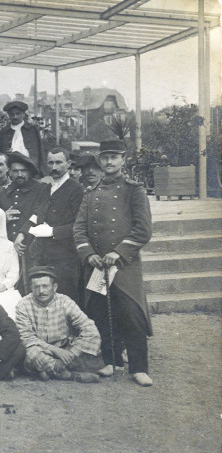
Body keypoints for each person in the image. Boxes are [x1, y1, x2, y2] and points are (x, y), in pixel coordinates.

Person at [74, 139, 154, 387]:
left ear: (123, 160)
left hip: (124, 265)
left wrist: (118, 253)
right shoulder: (90, 193)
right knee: (99, 313)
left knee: (132, 314)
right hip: (97, 266)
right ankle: (111, 361)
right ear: (100, 160)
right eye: (105, 157)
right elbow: (79, 229)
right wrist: (89, 254)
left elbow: (143, 230)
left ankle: (139, 367)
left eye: (114, 157)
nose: (109, 162)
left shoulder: (134, 190)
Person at [15, 266, 101, 383]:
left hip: (65, 348)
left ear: (54, 287)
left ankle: (45, 370)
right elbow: (26, 337)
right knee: (31, 353)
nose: (41, 291)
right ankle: (70, 375)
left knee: (89, 340)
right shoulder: (23, 304)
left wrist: (71, 354)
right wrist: (55, 351)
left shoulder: (65, 301)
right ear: (31, 288)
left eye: (45, 286)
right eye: (36, 287)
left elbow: (89, 328)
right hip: (41, 349)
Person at [27, 148, 84, 303]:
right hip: (43, 256)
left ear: (68, 164)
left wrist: (53, 231)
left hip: (66, 257)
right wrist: (22, 233)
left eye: (59, 162)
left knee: (66, 301)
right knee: (44, 300)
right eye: (50, 163)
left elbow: (80, 225)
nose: (54, 167)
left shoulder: (76, 189)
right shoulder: (46, 188)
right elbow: (37, 214)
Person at [0, 153, 49, 244]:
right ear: (10, 172)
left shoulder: (41, 190)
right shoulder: (4, 193)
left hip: (34, 247)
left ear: (30, 172)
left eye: (23, 171)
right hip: (8, 246)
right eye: (15, 171)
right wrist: (3, 218)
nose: (19, 174)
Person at [0, 101, 45, 176]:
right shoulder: (4, 131)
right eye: (12, 114)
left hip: (31, 168)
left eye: (18, 114)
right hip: (10, 170)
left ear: (23, 114)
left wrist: (41, 171)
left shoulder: (32, 129)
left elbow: (40, 151)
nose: (15, 117)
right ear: (8, 115)